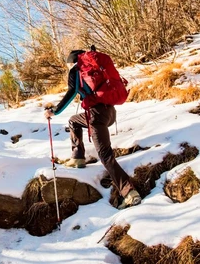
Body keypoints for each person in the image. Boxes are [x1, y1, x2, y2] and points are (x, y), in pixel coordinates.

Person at [44, 49, 141, 209]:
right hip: (109, 113)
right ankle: (78, 157)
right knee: (74, 121)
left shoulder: (76, 70)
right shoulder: (96, 67)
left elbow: (71, 93)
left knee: (105, 155)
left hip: (96, 116)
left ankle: (129, 193)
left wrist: (54, 111)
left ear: (72, 62)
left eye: (68, 64)